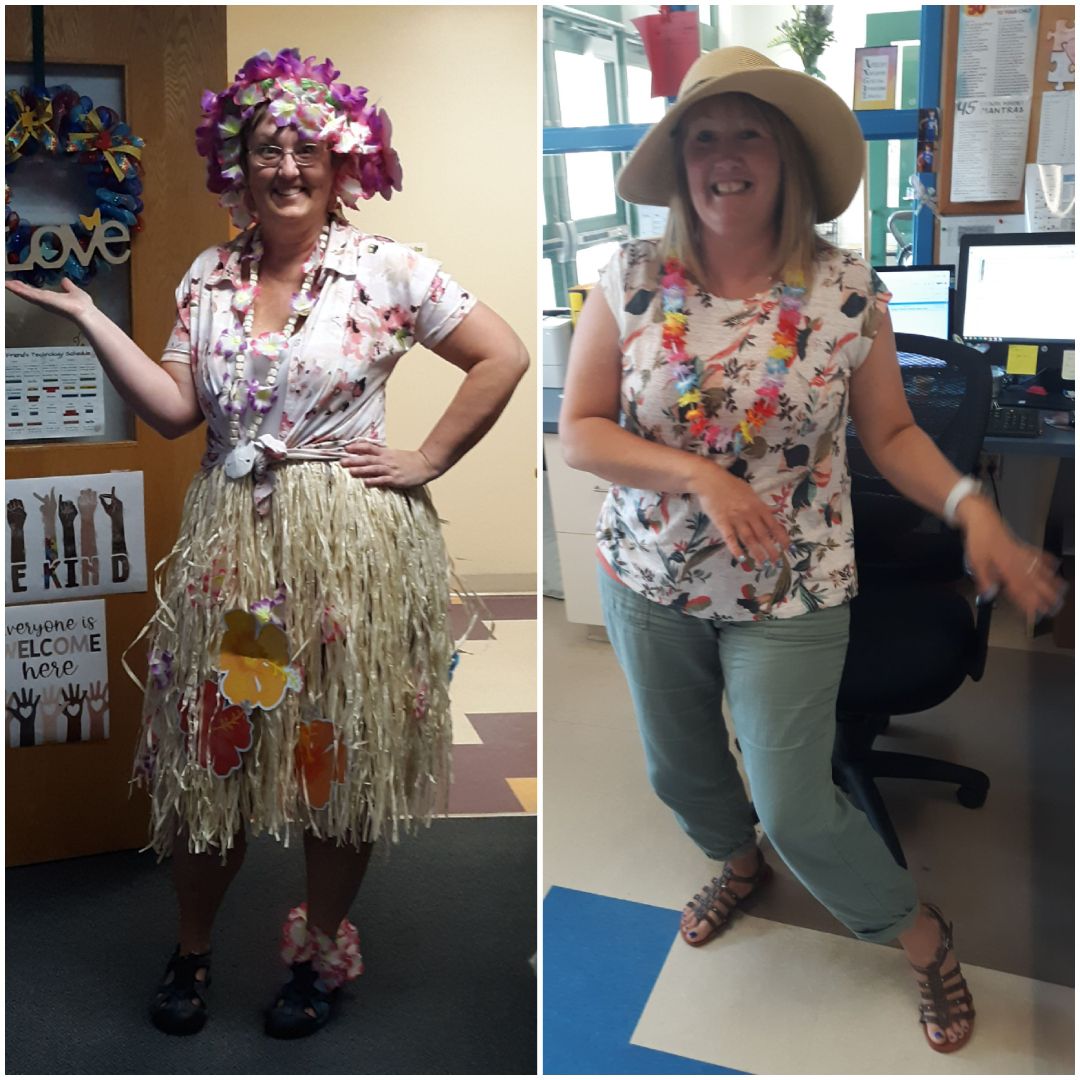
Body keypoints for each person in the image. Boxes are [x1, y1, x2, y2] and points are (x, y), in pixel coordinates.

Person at [6, 48, 529, 1039]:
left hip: (350, 553)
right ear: (235, 165)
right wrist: (86, 318)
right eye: (263, 148)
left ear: (342, 164)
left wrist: (431, 456)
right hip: (234, 553)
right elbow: (171, 411)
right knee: (219, 752)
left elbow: (501, 354)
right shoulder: (211, 275)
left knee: (335, 755)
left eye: (305, 149)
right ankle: (193, 947)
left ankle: (320, 943)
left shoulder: (389, 269)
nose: (284, 165)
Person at [560, 46, 1065, 1055]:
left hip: (793, 590)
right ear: (679, 160)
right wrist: (703, 477)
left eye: (750, 133)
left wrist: (974, 509)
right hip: (649, 578)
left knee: (796, 804)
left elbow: (893, 437)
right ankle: (732, 863)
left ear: (787, 159)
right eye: (704, 136)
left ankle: (921, 936)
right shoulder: (629, 276)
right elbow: (580, 429)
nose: (726, 157)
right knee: (680, 771)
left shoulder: (844, 290)